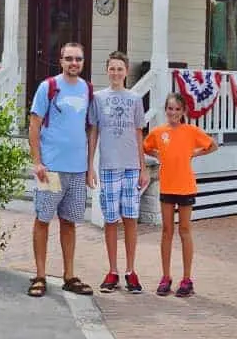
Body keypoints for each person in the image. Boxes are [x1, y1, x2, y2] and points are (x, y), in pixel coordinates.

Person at [27, 42, 94, 298]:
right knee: (43, 219)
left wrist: (89, 168)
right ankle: (40, 275)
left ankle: (69, 275)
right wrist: (37, 161)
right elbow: (34, 125)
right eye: (69, 59)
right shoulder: (49, 87)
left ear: (83, 62)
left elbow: (90, 129)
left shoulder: (87, 89)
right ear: (61, 61)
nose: (74, 63)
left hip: (76, 170)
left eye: (78, 59)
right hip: (51, 169)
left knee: (69, 222)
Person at [143, 92, 218, 297]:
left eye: (177, 109)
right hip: (167, 186)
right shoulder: (159, 132)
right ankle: (165, 277)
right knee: (167, 231)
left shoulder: (191, 131)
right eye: (170, 108)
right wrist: (156, 154)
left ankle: (187, 279)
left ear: (183, 111)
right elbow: (145, 146)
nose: (173, 112)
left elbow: (212, 145)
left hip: (185, 186)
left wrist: (196, 153)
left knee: (185, 230)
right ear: (165, 110)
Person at [87, 51, 149, 294]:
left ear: (126, 72)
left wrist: (143, 168)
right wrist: (90, 164)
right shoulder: (98, 98)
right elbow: (94, 132)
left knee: (130, 219)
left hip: (131, 167)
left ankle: (130, 270)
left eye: (120, 69)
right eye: (112, 68)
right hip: (109, 167)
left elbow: (138, 133)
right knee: (111, 220)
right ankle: (112, 270)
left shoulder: (134, 99)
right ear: (107, 70)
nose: (115, 73)